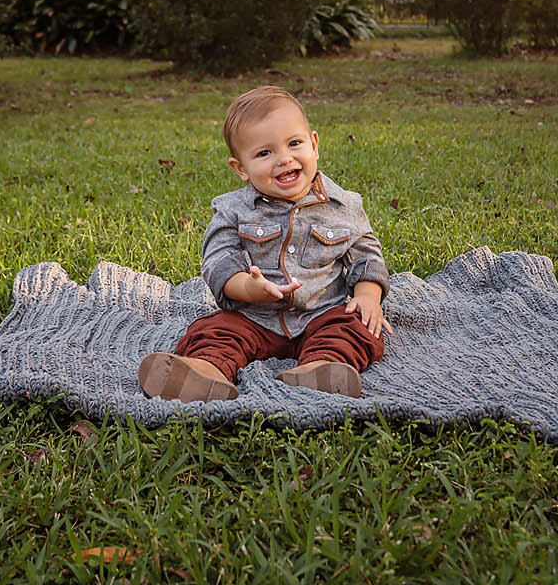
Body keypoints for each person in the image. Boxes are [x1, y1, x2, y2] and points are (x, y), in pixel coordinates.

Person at [138, 86, 391, 402]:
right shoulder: (232, 210)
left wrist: (368, 295)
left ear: (314, 145)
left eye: (294, 144)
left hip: (322, 312)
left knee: (356, 327)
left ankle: (324, 367)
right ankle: (205, 371)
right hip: (253, 316)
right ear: (240, 168)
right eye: (264, 153)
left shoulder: (344, 206)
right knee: (213, 331)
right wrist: (247, 287)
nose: (284, 159)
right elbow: (218, 260)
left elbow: (366, 254)